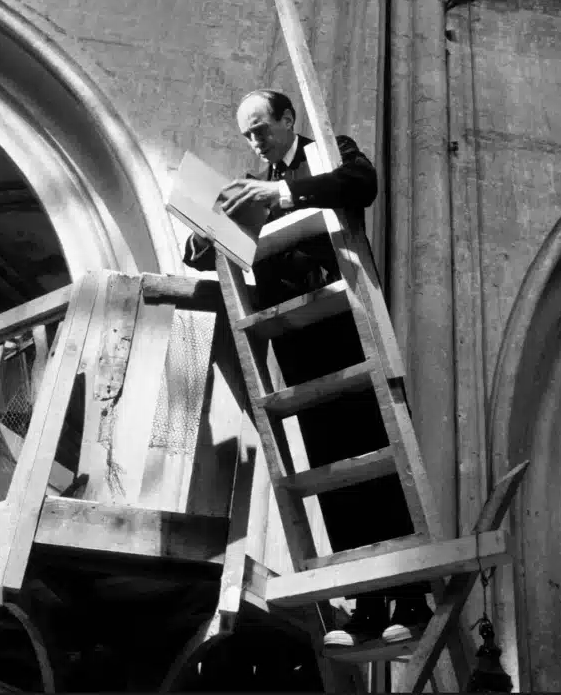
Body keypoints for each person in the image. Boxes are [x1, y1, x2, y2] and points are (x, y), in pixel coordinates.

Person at [184, 89, 431, 647]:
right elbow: (206, 248)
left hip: (345, 331)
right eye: (246, 135)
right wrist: (203, 235)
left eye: (261, 129)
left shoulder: (325, 154)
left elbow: (360, 183)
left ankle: (410, 596)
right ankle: (366, 603)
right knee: (330, 465)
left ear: (288, 119)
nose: (255, 142)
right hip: (295, 344)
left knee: (377, 455)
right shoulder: (249, 187)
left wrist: (284, 191)